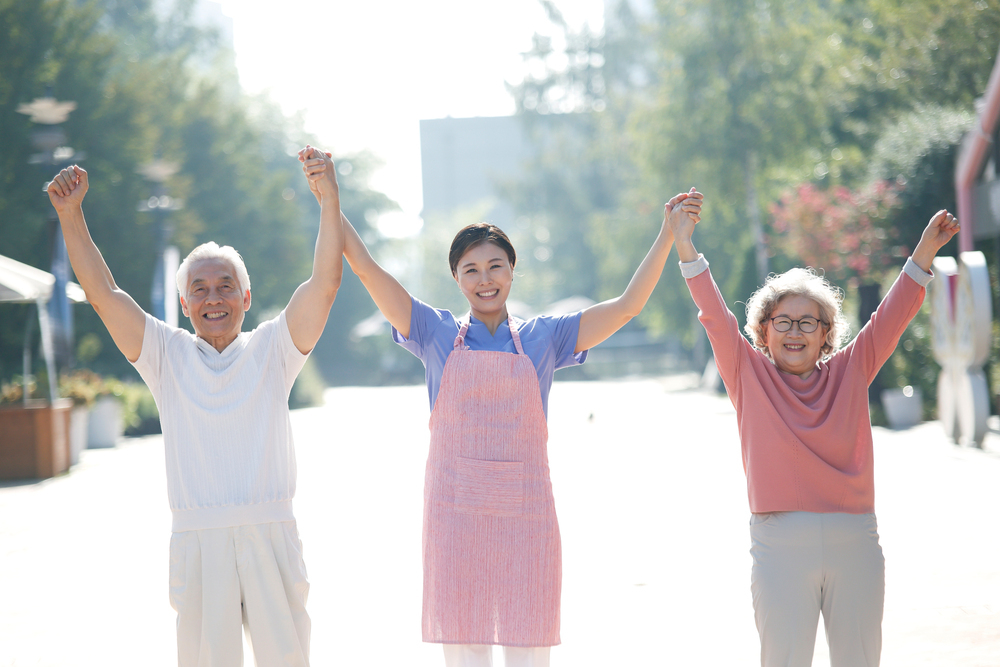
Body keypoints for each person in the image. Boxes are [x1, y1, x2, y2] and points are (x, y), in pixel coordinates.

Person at [302, 152, 702, 666]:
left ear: (513, 270)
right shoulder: (433, 331)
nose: (484, 278)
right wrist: (331, 201)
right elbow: (363, 265)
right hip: (454, 518)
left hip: (527, 520)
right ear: (456, 277)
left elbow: (627, 306)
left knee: (530, 652)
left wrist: (669, 234)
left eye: (495, 265)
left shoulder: (546, 337)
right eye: (470, 269)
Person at [45, 145, 344, 667]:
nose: (213, 298)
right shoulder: (166, 354)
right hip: (198, 538)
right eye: (200, 289)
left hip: (270, 531)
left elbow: (324, 284)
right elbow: (104, 293)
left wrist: (328, 200)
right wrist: (72, 216)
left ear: (245, 298)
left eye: (225, 287)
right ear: (185, 305)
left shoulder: (273, 349)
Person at [667, 196, 960, 667]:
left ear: (827, 333)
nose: (795, 332)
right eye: (782, 322)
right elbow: (715, 317)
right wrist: (685, 247)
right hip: (779, 542)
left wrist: (924, 251)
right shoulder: (747, 373)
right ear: (763, 332)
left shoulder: (851, 368)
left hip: (855, 540)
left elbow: (891, 317)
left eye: (808, 322)